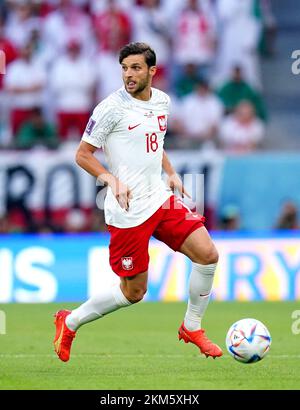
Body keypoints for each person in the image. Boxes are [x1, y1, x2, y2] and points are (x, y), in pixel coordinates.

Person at [53, 42, 222, 362]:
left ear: (152, 71)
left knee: (208, 254)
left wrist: (170, 172)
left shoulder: (162, 102)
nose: (129, 75)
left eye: (135, 68)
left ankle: (192, 326)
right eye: (125, 69)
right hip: (128, 210)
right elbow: (82, 154)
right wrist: (112, 180)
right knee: (133, 293)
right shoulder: (110, 108)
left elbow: (155, 143)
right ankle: (70, 321)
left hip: (159, 197)